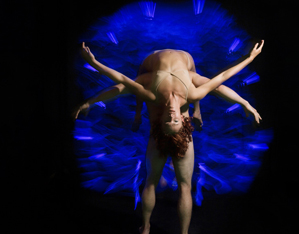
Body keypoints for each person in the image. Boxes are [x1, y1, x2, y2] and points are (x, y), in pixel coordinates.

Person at [74, 40, 264, 234]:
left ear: (161, 120)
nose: (173, 115)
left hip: (152, 69)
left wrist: (94, 68)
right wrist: (245, 97)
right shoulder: (191, 91)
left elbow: (121, 82)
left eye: (169, 120)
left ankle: (146, 227)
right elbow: (221, 80)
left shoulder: (153, 95)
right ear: (183, 119)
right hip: (185, 69)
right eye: (176, 120)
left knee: (152, 180)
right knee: (184, 184)